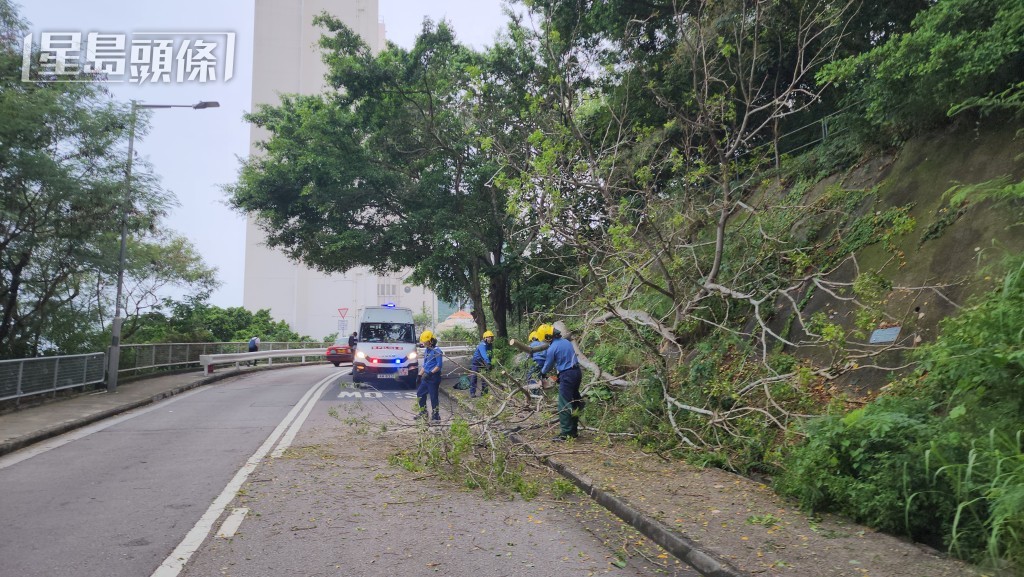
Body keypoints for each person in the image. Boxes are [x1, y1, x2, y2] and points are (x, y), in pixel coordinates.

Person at [539, 324, 582, 441]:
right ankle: (574, 431)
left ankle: (566, 434)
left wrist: (542, 374)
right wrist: (559, 376)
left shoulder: (552, 348)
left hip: (567, 375)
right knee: (574, 401)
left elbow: (548, 365)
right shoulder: (566, 342)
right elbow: (567, 360)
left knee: (564, 404)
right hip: (577, 372)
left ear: (548, 337)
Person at [415, 330, 443, 422]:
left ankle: (436, 415)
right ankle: (423, 412)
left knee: (433, 396)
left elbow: (439, 365)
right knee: (420, 393)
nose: (424, 343)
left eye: (425, 342)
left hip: (434, 377)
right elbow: (425, 365)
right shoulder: (427, 350)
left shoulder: (437, 351)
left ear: (430, 341)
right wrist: (419, 375)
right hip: (426, 377)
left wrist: (431, 373)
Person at [469, 330, 494, 397]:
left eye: (491, 337)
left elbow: (490, 354)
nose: (490, 339)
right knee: (474, 377)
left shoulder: (490, 345)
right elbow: (484, 355)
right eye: (489, 337)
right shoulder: (482, 345)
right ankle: (472, 392)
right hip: (476, 362)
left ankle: (484, 392)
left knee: (485, 378)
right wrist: (488, 363)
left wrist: (491, 363)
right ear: (485, 338)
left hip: (483, 363)